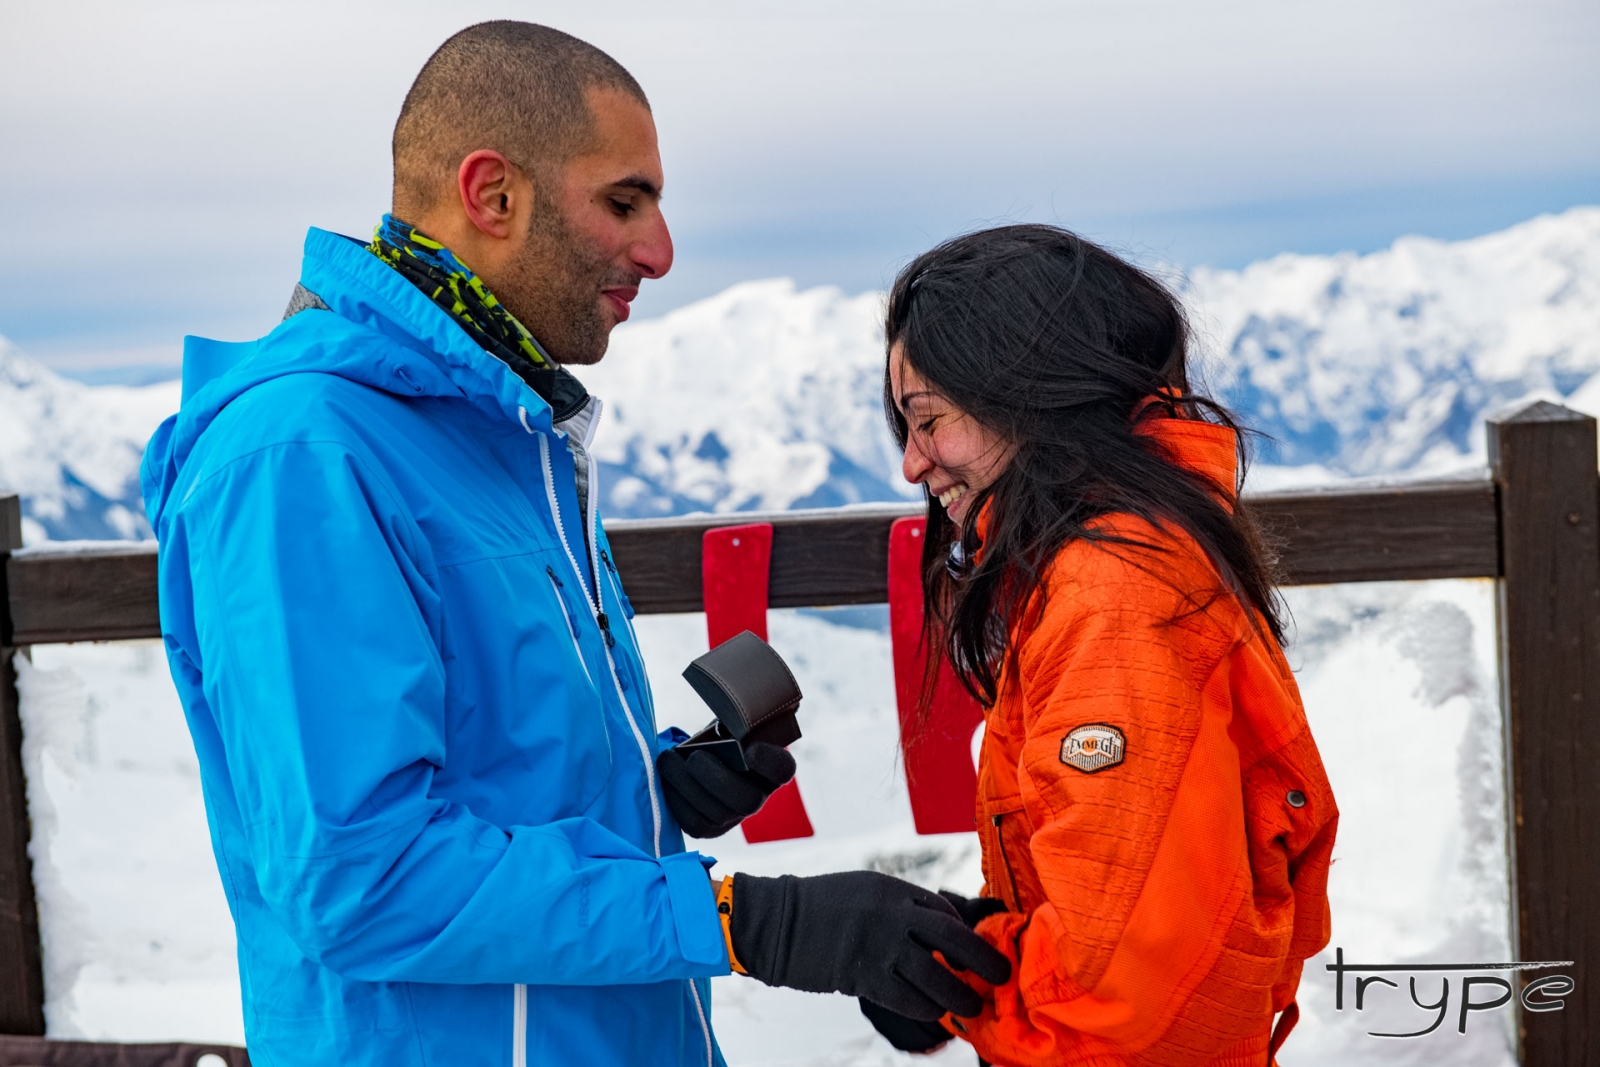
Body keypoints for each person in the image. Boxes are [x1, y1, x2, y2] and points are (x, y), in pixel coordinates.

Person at [140, 21, 1003, 1067]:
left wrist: (651, 780)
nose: (660, 250)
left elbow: (487, 766)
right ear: (492, 195)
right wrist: (747, 921)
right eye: (624, 202)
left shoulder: (503, 434)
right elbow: (363, 876)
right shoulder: (303, 458)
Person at [862, 225, 1339, 1066]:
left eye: (928, 420)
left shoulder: (1112, 599)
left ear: (1029, 397)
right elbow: (1134, 892)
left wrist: (964, 984)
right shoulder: (1121, 559)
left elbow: (1117, 986)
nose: (912, 465)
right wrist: (976, 942)